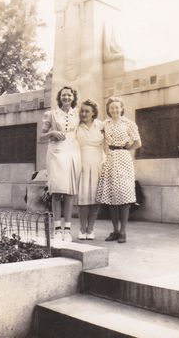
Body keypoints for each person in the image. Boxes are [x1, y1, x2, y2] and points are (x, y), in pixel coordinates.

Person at [96, 97, 142, 243]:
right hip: (110, 159)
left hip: (123, 159)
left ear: (122, 108)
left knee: (124, 196)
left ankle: (123, 231)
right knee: (111, 198)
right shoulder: (105, 124)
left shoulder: (129, 123)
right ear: (108, 110)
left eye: (117, 107)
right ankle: (115, 230)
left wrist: (127, 147)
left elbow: (138, 143)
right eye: (111, 108)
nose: (114, 110)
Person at [40, 86, 81, 242]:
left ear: (73, 97)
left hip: (72, 152)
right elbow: (41, 136)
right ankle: (57, 229)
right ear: (59, 97)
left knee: (70, 192)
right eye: (63, 95)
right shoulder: (51, 114)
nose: (66, 98)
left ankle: (68, 230)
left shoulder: (77, 114)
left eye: (69, 95)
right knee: (57, 192)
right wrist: (52, 133)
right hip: (56, 153)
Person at [76, 100, 105, 240]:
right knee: (83, 198)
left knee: (95, 198)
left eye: (87, 111)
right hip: (82, 163)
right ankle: (82, 229)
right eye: (82, 111)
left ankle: (90, 228)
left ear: (93, 112)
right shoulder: (77, 126)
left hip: (98, 163)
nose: (84, 113)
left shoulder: (101, 125)